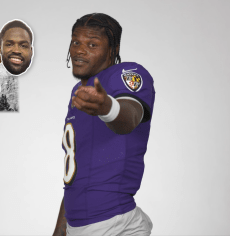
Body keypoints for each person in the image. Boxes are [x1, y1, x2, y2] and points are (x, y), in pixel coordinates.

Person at [52, 13, 155, 236]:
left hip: (113, 223)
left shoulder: (126, 73)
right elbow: (77, 175)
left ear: (113, 49)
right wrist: (60, 231)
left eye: (92, 44)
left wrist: (107, 107)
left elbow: (130, 116)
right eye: (75, 42)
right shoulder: (78, 93)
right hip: (79, 226)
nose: (79, 50)